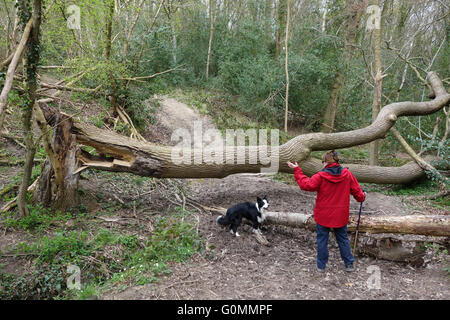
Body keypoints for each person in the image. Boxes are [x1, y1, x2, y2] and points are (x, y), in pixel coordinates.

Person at [286, 150, 365, 273]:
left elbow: (305, 184)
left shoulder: (321, 176)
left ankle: (321, 266)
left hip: (323, 216)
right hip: (340, 216)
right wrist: (362, 197)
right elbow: (357, 192)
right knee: (343, 239)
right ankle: (349, 264)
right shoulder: (347, 174)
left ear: (324, 162)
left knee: (322, 240)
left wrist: (297, 170)